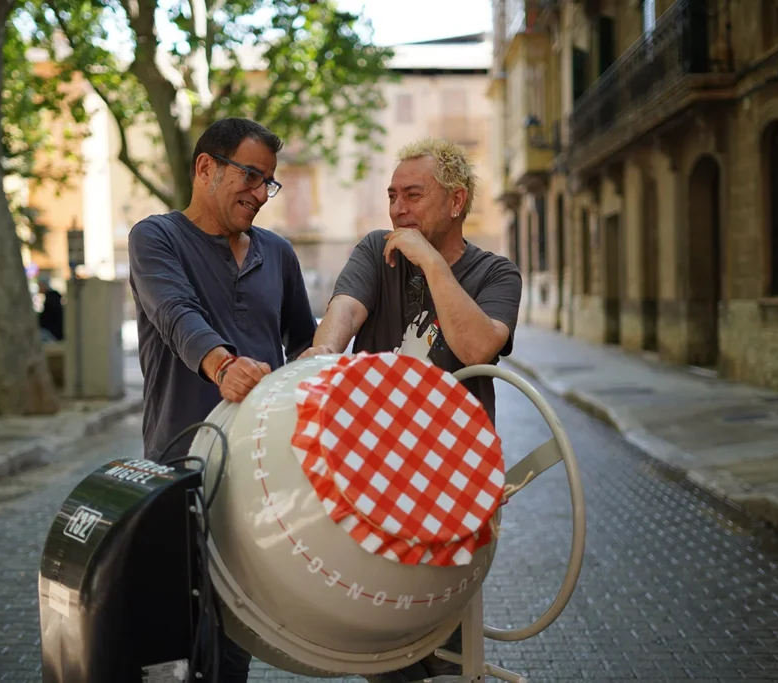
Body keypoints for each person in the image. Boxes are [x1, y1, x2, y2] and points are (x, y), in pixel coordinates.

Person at [301, 137, 522, 681]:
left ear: (456, 201)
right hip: (374, 477)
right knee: (379, 641)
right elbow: (345, 310)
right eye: (392, 195)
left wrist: (430, 261)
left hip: (454, 489)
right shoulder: (376, 250)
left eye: (413, 195)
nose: (398, 209)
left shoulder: (498, 275)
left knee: (448, 645)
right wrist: (324, 353)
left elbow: (477, 347)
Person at [127, 117, 317, 682]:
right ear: (206, 168)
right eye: (251, 176)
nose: (260, 194)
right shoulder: (155, 238)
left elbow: (305, 344)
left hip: (260, 478)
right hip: (179, 472)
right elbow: (174, 313)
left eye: (268, 183)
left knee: (238, 641)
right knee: (178, 640)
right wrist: (223, 365)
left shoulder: (278, 253)